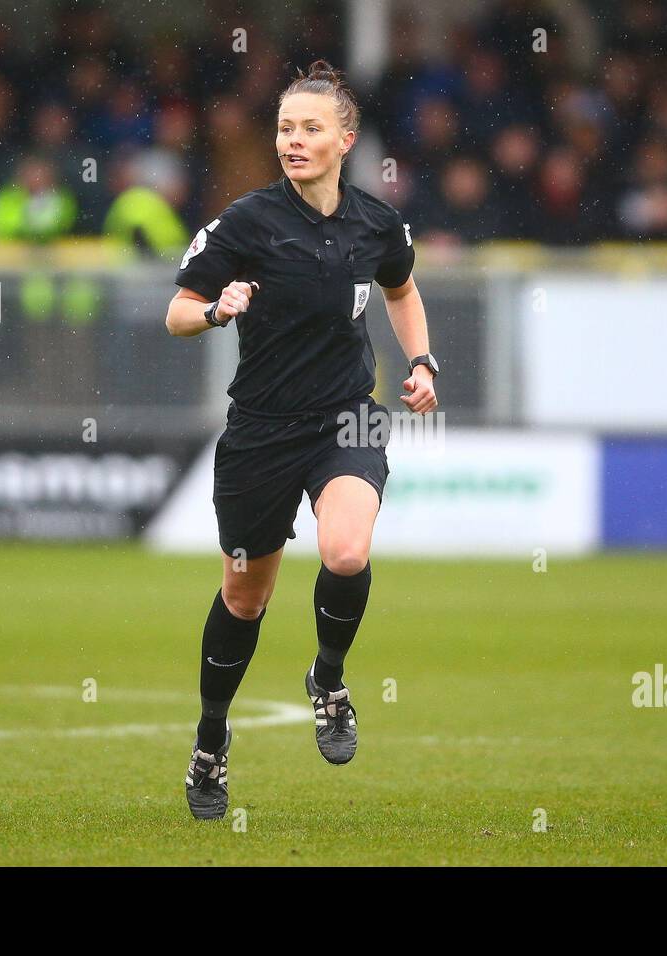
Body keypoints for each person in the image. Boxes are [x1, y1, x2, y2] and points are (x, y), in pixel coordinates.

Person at [164, 60, 439, 820]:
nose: (294, 139)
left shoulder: (376, 223)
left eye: (311, 128)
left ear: (345, 139)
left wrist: (420, 360)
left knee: (347, 551)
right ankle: (211, 741)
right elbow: (177, 313)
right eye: (285, 127)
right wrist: (218, 309)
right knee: (244, 598)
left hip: (345, 415)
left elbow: (403, 288)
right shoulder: (247, 222)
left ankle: (328, 677)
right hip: (261, 430)